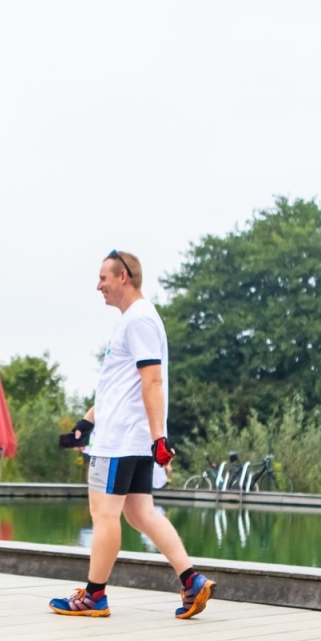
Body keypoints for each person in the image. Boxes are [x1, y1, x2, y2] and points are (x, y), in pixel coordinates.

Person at [51, 251, 214, 620]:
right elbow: (118, 387)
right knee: (140, 513)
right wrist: (86, 422)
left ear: (123, 276)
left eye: (103, 278)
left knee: (103, 513)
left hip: (122, 440)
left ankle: (94, 595)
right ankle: (191, 580)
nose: (98, 286)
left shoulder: (138, 321)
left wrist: (159, 438)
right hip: (129, 436)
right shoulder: (136, 320)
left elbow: (152, 379)